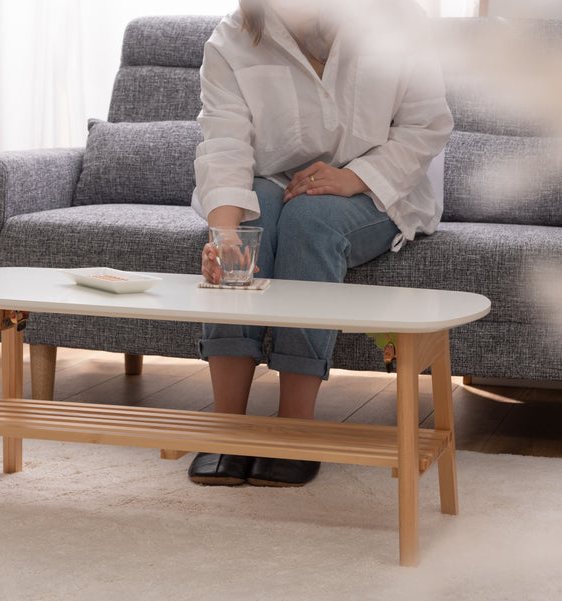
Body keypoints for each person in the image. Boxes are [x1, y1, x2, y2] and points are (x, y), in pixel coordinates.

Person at [190, 0, 453, 487]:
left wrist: (354, 177)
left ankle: (295, 426)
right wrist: (224, 235)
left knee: (310, 219)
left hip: (374, 188)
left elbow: (426, 125)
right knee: (250, 224)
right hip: (273, 181)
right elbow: (225, 146)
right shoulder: (231, 40)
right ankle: (226, 428)